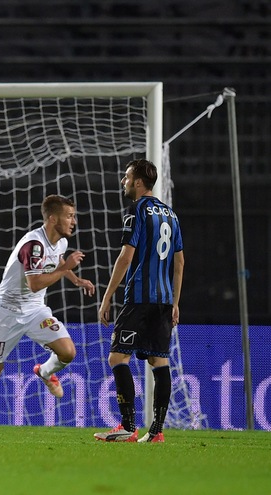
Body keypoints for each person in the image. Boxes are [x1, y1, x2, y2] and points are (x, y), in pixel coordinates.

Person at [0, 195, 95, 430]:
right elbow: (35, 284)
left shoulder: (61, 243)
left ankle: (45, 372)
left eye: (74, 216)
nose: (74, 221)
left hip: (35, 310)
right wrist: (66, 267)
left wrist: (75, 279)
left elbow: (57, 260)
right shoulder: (33, 245)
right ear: (53, 219)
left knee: (67, 352)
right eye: (69, 216)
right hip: (7, 312)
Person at [95, 158, 184, 443]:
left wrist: (107, 296)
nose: (123, 181)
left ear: (137, 181)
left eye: (126, 177)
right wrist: (175, 303)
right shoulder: (171, 214)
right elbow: (180, 263)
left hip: (139, 297)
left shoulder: (136, 210)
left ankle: (127, 426)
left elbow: (126, 256)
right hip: (164, 300)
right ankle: (156, 432)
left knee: (117, 357)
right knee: (159, 361)